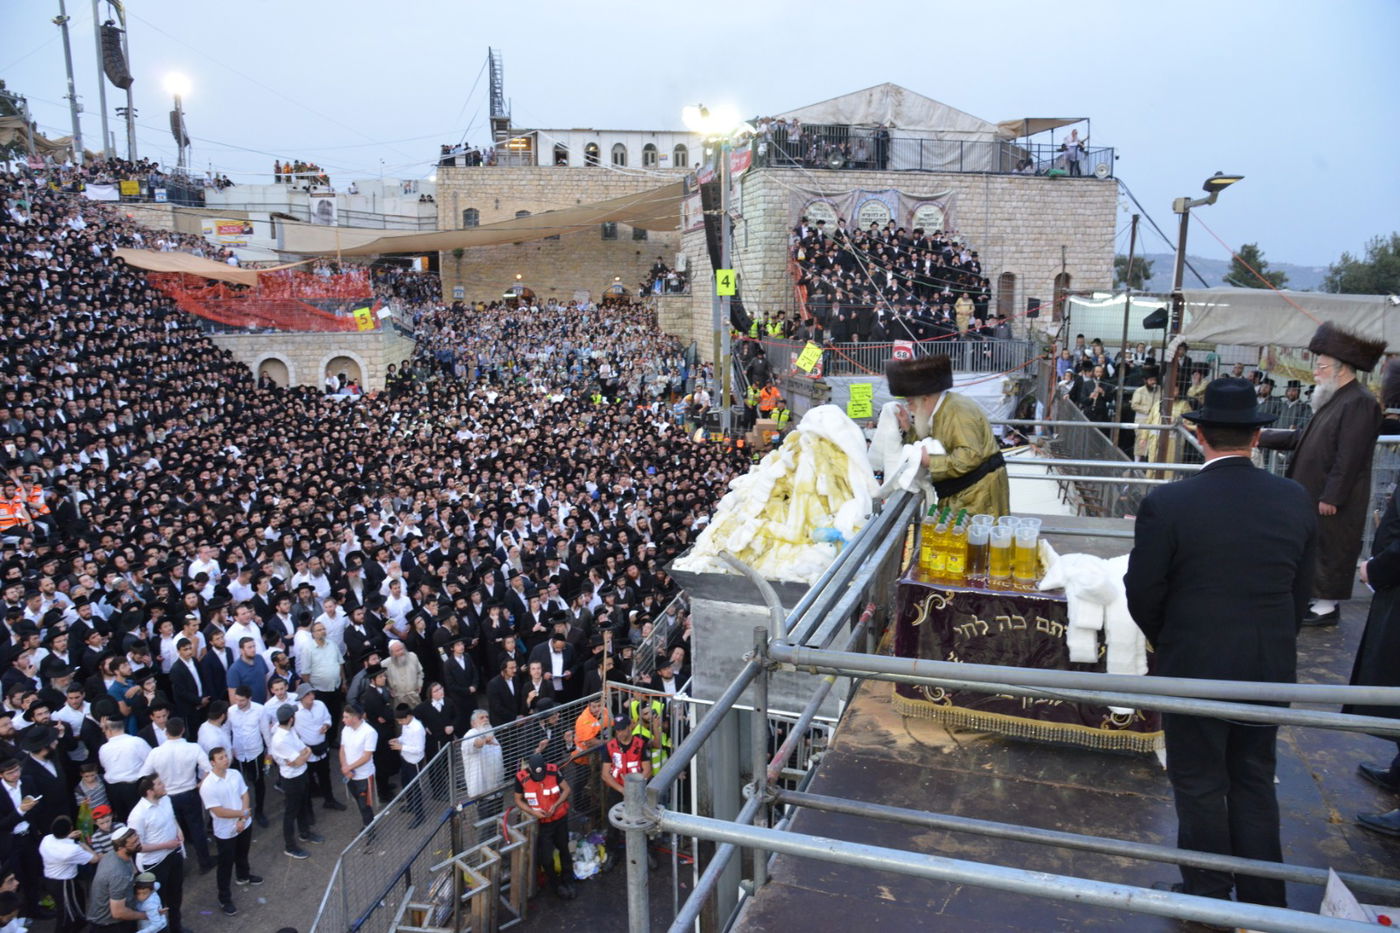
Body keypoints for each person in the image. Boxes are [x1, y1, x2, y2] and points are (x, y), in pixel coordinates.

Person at [1124, 377, 1316, 909]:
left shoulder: (1170, 502)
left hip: (1195, 662)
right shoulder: (1294, 498)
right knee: (1254, 778)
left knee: (1201, 782)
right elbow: (1301, 593)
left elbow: (1142, 591)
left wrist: (1172, 641)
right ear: (1256, 437)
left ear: (1200, 434)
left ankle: (1208, 893)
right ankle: (1262, 900)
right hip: (1268, 662)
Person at [1258, 323, 1384, 625]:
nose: (1315, 372)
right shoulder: (1336, 399)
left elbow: (1349, 456)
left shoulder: (1360, 402)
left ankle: (1327, 607)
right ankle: (1315, 600)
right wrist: (1260, 436)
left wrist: (1332, 495)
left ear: (1340, 369)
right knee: (1315, 547)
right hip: (1315, 492)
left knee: (1332, 547)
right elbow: (1305, 438)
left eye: (1321, 366)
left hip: (1333, 497)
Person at [881, 354, 1010, 516]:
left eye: (911, 402)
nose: (910, 408)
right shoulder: (940, 410)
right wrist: (908, 428)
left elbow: (970, 456)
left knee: (973, 540)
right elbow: (930, 442)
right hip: (963, 492)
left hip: (977, 496)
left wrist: (931, 461)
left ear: (925, 398)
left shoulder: (957, 410)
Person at [139, 716, 213, 874]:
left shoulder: (156, 752)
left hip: (167, 797)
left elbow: (144, 774)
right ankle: (204, 862)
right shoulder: (193, 748)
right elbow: (208, 768)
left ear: (166, 732)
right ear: (183, 730)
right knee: (197, 829)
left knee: (172, 832)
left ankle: (177, 867)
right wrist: (200, 784)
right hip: (190, 792)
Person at [199, 746, 261, 916]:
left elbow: (245, 794)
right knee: (225, 864)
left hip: (243, 824)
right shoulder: (208, 785)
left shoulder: (234, 774)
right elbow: (218, 811)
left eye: (225, 756)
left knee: (243, 853)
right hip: (225, 831)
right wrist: (242, 814)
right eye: (221, 758)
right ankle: (224, 898)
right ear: (212, 763)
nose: (225, 759)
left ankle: (243, 876)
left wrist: (242, 819)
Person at [126, 776, 185, 933]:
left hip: (174, 854)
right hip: (155, 863)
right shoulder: (138, 815)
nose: (164, 785)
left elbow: (172, 818)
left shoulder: (165, 799)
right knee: (157, 902)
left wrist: (179, 831)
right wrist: (165, 845)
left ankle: (176, 927)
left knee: (176, 894)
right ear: (149, 791)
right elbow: (137, 847)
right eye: (159, 784)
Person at [513, 753, 575, 900]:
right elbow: (518, 800)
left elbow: (566, 789)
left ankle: (569, 880)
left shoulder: (553, 771)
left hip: (559, 819)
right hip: (542, 824)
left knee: (564, 849)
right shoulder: (521, 778)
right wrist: (533, 812)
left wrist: (556, 804)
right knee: (546, 858)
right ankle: (555, 884)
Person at [268, 703, 315, 860]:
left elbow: (305, 751)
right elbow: (299, 760)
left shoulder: (290, 731)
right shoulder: (280, 739)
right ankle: (290, 846)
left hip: (300, 774)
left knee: (302, 806)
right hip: (291, 779)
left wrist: (303, 755)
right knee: (291, 812)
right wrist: (302, 756)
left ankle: (305, 833)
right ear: (291, 719)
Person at [40, 814, 100, 933]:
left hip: (50, 879)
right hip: (64, 883)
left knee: (78, 897)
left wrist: (69, 837)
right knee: (65, 914)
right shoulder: (72, 849)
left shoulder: (46, 839)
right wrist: (83, 845)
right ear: (70, 829)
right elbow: (95, 859)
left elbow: (60, 841)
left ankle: (80, 922)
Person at [85, 822, 148, 932]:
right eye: (134, 843)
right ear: (121, 847)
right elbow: (118, 912)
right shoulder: (118, 873)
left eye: (137, 839)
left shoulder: (112, 854)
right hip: (110, 926)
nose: (139, 843)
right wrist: (145, 916)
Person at [339, 703, 378, 827]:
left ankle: (370, 829)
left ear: (355, 718)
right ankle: (367, 825)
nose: (343, 720)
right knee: (358, 802)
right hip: (350, 775)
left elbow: (366, 757)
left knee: (365, 805)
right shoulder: (346, 729)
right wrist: (345, 766)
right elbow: (342, 749)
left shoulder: (369, 732)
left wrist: (348, 768)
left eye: (346, 717)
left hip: (364, 776)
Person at [460, 709, 504, 806]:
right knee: (486, 819)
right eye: (482, 717)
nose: (486, 719)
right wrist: (485, 740)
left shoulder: (491, 735)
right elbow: (475, 743)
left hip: (497, 788)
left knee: (499, 816)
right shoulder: (471, 733)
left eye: (487, 717)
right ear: (473, 723)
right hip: (482, 792)